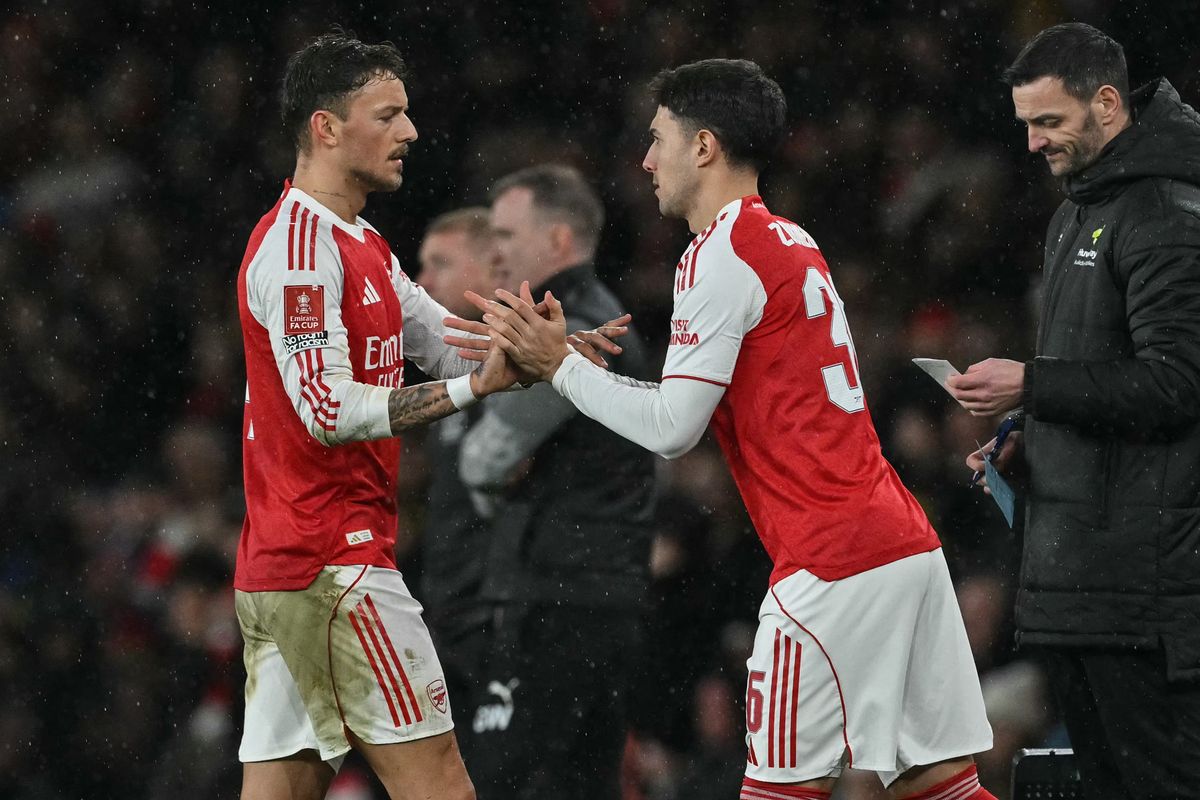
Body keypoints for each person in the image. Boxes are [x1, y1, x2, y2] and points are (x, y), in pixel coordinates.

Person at [464, 59, 996, 799]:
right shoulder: (790, 239)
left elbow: (671, 428)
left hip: (830, 561)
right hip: (899, 545)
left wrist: (559, 368)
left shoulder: (716, 254)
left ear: (704, 145)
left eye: (658, 139)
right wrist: (579, 365)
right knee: (944, 791)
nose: (646, 161)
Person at [234, 33, 522, 800]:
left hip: (291, 567)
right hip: (333, 568)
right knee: (443, 789)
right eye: (388, 115)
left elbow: (449, 347)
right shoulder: (300, 252)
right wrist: (474, 392)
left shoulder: (359, 241)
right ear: (326, 128)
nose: (411, 132)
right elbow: (328, 409)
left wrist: (541, 352)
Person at [945, 22, 1200, 799]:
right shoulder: (1078, 212)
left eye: (1049, 121)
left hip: (1142, 595)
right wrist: (1027, 437)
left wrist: (1032, 385)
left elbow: (1178, 382)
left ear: (1109, 105)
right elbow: (1101, 375)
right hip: (1079, 588)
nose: (1032, 143)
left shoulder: (1167, 212)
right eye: (1026, 123)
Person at [425, 167, 658, 799]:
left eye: (505, 234)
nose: (495, 251)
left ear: (557, 240)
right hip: (596, 592)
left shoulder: (573, 329)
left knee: (495, 782)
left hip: (559, 600)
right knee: (579, 786)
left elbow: (483, 462)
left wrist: (494, 481)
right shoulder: (602, 318)